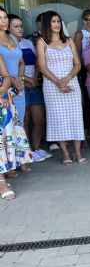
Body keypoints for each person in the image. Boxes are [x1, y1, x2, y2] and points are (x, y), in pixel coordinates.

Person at [36, 11, 87, 165]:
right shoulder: (42, 42)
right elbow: (42, 67)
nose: (57, 24)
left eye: (58, 21)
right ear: (46, 24)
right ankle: (65, 153)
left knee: (75, 116)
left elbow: (78, 64)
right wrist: (59, 82)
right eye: (53, 21)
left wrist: (67, 79)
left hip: (71, 81)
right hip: (52, 85)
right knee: (57, 118)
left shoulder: (69, 40)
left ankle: (78, 152)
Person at [8, 15, 50, 162]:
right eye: (16, 26)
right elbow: (11, 68)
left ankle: (35, 149)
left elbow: (38, 61)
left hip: (34, 84)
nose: (20, 29)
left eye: (21, 26)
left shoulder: (27, 42)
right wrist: (26, 79)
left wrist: (35, 77)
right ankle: (25, 153)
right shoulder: (8, 46)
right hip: (20, 85)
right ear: (8, 27)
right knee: (24, 120)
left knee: (39, 119)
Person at [0, 7, 32, 199]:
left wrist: (18, 78)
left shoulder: (12, 38)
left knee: (14, 129)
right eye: (0, 18)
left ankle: (14, 163)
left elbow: (19, 62)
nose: (3, 20)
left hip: (12, 88)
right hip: (6, 88)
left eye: (4, 17)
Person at [73, 9, 90, 148]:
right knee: (88, 105)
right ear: (84, 20)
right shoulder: (80, 34)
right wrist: (87, 67)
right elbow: (76, 54)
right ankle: (84, 136)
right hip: (85, 71)